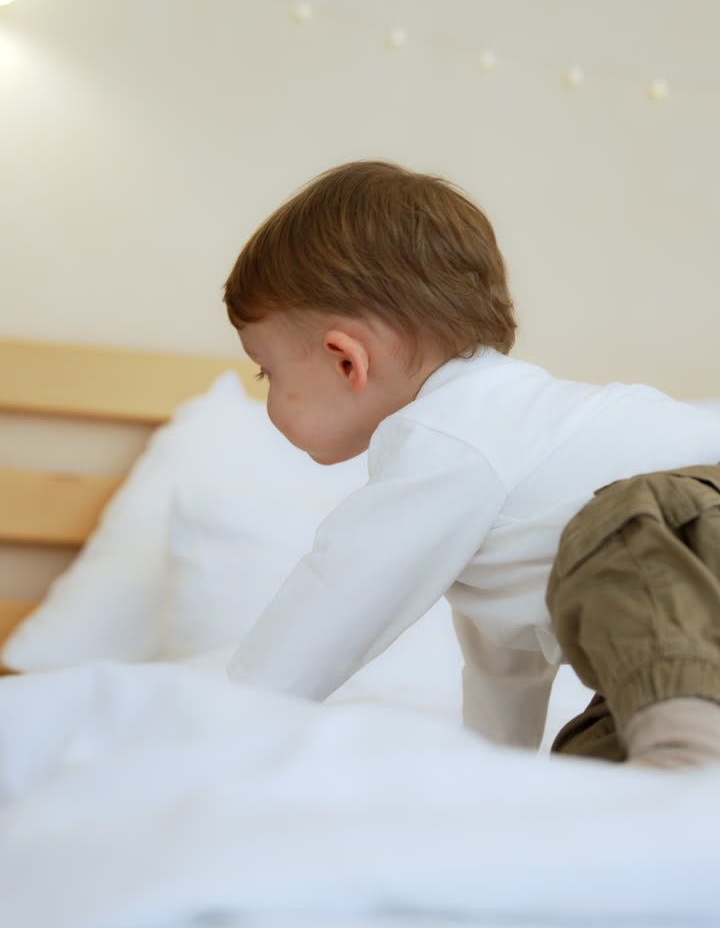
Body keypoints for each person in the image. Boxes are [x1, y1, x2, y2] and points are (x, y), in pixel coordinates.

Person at [223, 159, 720, 768]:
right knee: (588, 759)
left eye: (266, 372)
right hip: (698, 632)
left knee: (623, 527)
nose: (267, 392)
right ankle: (669, 777)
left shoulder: (449, 432)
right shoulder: (497, 488)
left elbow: (335, 599)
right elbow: (507, 664)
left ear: (347, 360)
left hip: (698, 517)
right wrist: (490, 773)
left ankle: (687, 769)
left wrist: (220, 719)